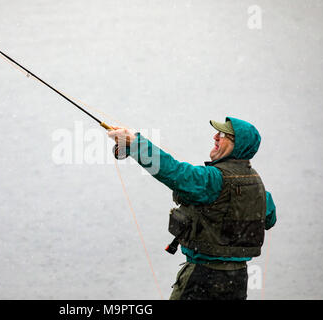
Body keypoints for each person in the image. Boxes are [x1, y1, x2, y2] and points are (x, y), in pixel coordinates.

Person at [107, 117, 276, 300]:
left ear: (237, 146)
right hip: (237, 281)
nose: (215, 137)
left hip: (202, 279)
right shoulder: (259, 188)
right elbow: (270, 219)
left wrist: (135, 144)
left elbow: (175, 172)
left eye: (222, 135)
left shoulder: (213, 180)